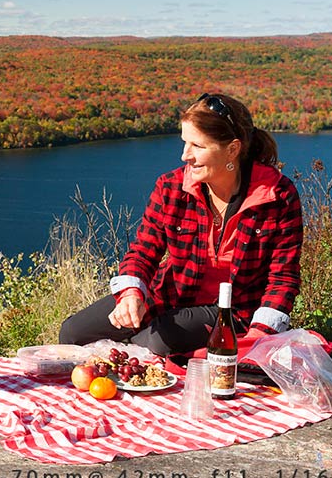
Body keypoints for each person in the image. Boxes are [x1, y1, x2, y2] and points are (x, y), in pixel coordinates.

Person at [59, 93, 303, 356]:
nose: (185, 155)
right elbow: (143, 251)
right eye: (185, 143)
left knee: (156, 341)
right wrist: (131, 295)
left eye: (197, 146)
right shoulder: (171, 188)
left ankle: (144, 366)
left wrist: (260, 335)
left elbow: (283, 277)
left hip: (233, 311)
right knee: (73, 333)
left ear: (232, 149)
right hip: (172, 295)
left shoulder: (277, 196)